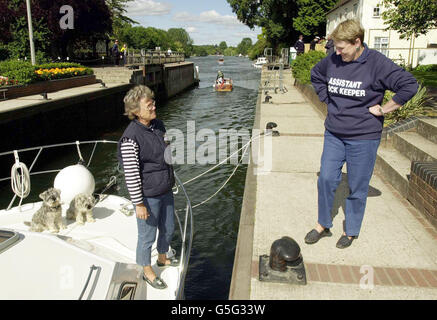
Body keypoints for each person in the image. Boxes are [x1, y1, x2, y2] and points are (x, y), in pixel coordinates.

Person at [306, 19, 418, 249]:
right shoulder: (333, 60)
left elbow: (409, 85)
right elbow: (316, 75)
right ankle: (323, 224)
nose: (337, 52)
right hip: (334, 133)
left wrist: (385, 109)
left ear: (357, 42)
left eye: (341, 48)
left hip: (364, 136)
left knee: (357, 185)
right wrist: (327, 100)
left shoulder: (377, 63)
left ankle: (351, 230)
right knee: (326, 178)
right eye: (335, 47)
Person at [118, 85, 178, 289]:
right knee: (147, 236)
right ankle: (147, 270)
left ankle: (162, 257)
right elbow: (132, 174)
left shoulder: (158, 125)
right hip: (148, 196)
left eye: (153, 103)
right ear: (135, 111)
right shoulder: (130, 138)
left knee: (168, 228)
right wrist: (139, 204)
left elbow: (166, 151)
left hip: (165, 189)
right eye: (149, 105)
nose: (154, 107)